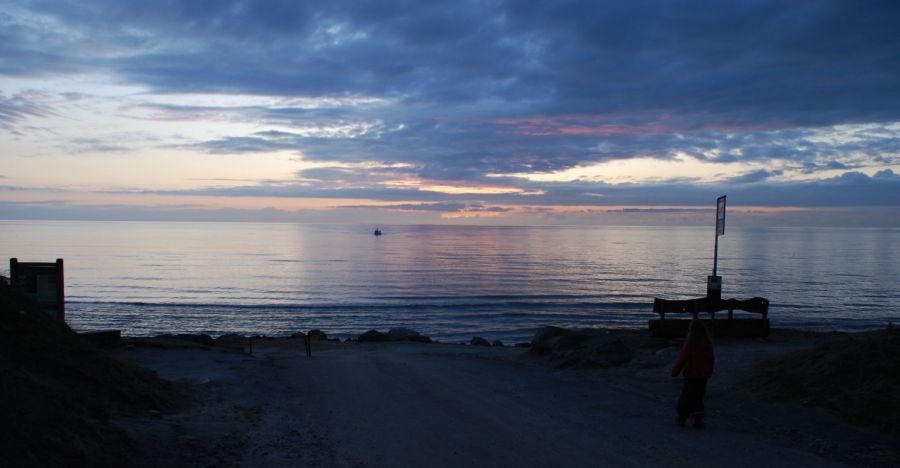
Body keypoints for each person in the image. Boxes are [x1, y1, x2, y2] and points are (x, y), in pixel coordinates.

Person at [671, 315, 715, 429]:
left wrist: (675, 371)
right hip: (703, 376)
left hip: (691, 374)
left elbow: (682, 358)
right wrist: (709, 371)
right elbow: (711, 359)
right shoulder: (708, 343)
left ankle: (682, 417)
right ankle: (698, 420)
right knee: (699, 397)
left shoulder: (691, 343)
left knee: (686, 396)